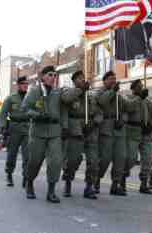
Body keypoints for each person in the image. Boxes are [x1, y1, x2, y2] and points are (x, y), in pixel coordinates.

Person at [21, 66, 66, 203]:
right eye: (50, 75)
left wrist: (65, 128)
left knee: (56, 162)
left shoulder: (58, 93)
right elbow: (25, 108)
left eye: (55, 75)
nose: (53, 77)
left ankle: (51, 191)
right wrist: (38, 115)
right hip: (38, 132)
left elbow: (64, 112)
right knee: (35, 161)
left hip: (54, 132)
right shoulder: (35, 91)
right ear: (43, 77)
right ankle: (29, 183)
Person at [60, 70, 99, 199]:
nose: (82, 80)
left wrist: (95, 122)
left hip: (90, 131)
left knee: (93, 161)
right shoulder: (69, 92)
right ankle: (68, 181)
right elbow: (66, 99)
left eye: (83, 78)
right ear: (74, 81)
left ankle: (89, 187)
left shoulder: (91, 96)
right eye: (79, 78)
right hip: (76, 131)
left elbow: (99, 112)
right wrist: (80, 90)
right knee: (73, 160)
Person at [96, 71, 127, 196]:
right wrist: (112, 91)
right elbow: (102, 101)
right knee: (105, 158)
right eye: (110, 79)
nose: (113, 81)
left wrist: (123, 119)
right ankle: (96, 179)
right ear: (104, 81)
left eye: (115, 79)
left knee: (120, 158)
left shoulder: (118, 95)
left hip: (118, 129)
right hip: (106, 128)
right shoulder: (100, 92)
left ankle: (115, 184)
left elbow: (126, 109)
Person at [125, 79, 152, 194]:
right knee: (131, 158)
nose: (141, 88)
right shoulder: (128, 98)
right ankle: (122, 177)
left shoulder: (147, 102)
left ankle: (144, 183)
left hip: (146, 132)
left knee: (147, 159)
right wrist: (139, 98)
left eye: (141, 86)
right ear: (133, 89)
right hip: (133, 131)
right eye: (138, 87)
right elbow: (129, 108)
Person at [0, 76, 30, 187]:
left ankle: (26, 177)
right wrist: (3, 126)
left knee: (28, 155)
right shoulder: (11, 98)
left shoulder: (30, 97)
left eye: (27, 83)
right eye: (23, 83)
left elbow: (37, 109)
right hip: (14, 129)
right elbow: (3, 113)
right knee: (12, 154)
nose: (25, 85)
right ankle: (9, 174)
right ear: (18, 85)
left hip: (27, 128)